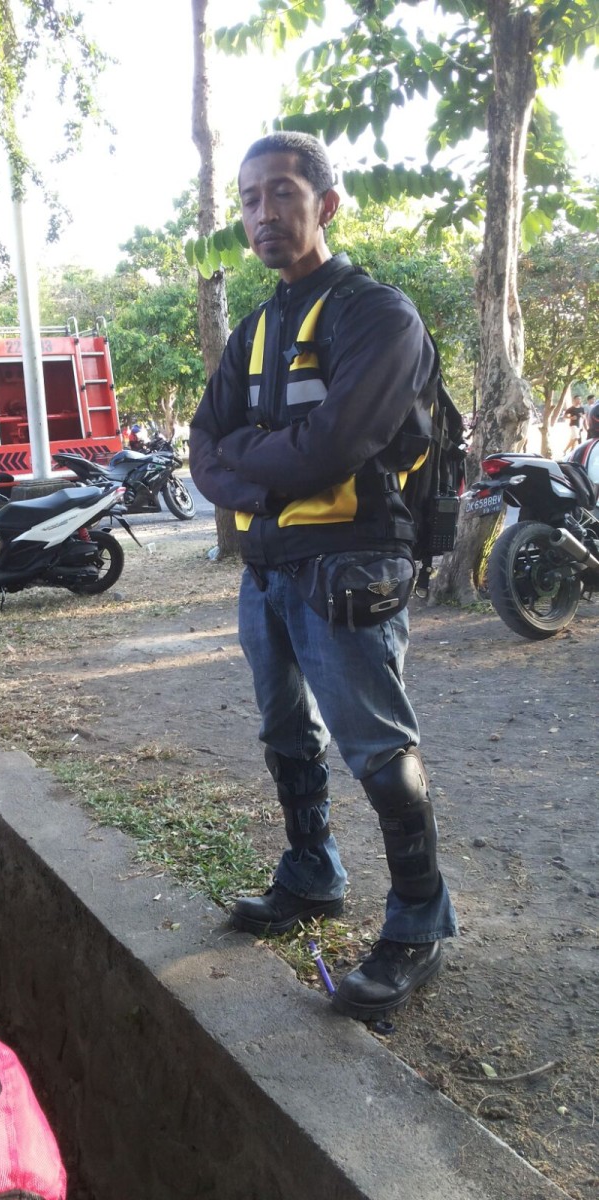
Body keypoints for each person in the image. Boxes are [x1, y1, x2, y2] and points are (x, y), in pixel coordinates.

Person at [189, 132, 458, 1021]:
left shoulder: (377, 315)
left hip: (351, 564)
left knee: (377, 751)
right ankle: (312, 871)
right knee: (284, 734)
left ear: (326, 204)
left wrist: (254, 459)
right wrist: (263, 469)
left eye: (281, 192)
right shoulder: (255, 329)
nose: (262, 213)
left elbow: (336, 442)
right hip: (268, 569)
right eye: (249, 199)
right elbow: (203, 445)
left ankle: (419, 919)